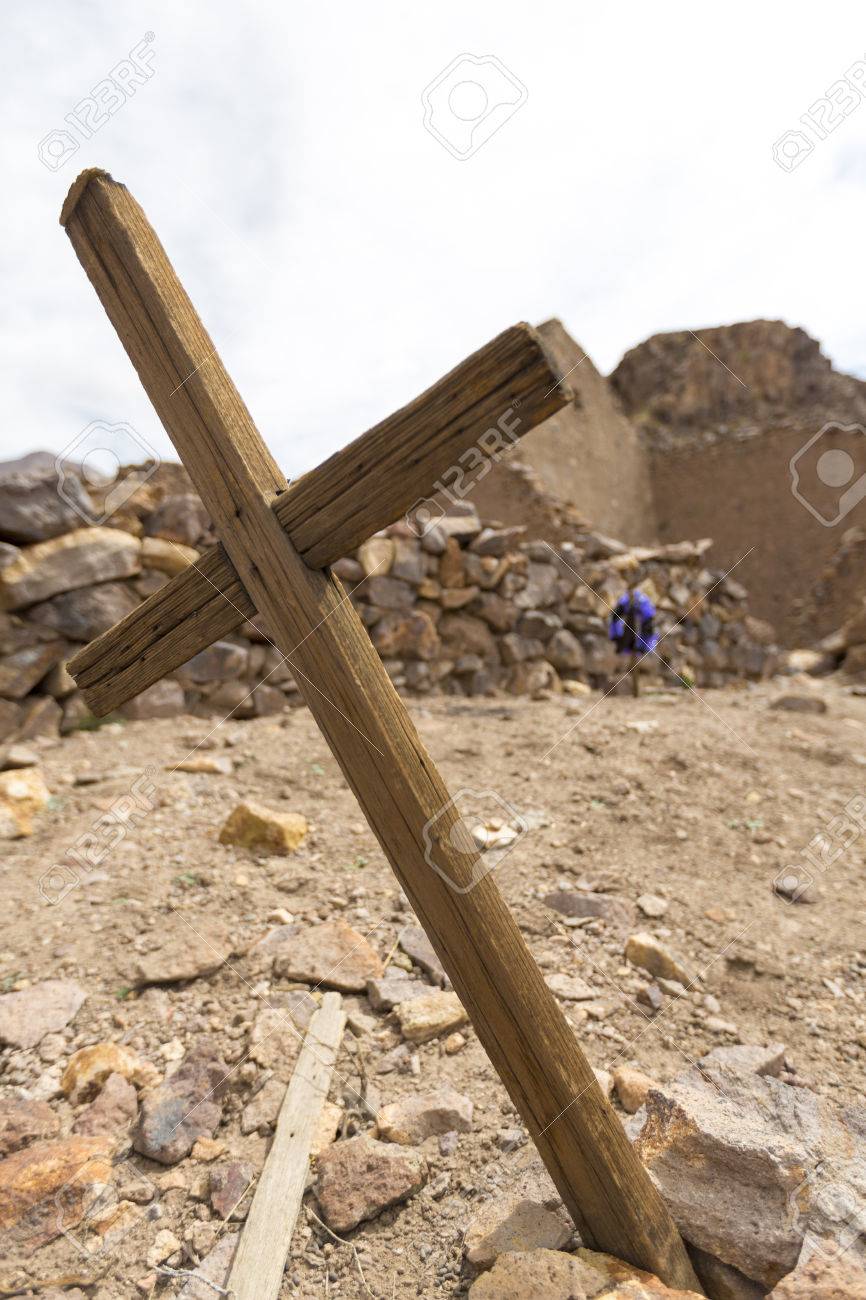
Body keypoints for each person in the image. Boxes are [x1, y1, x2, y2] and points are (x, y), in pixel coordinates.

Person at [608, 588, 658, 696]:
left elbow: (649, 622)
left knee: (635, 659)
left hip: (639, 634)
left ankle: (636, 689)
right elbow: (615, 617)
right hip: (630, 634)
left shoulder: (642, 603)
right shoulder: (625, 603)